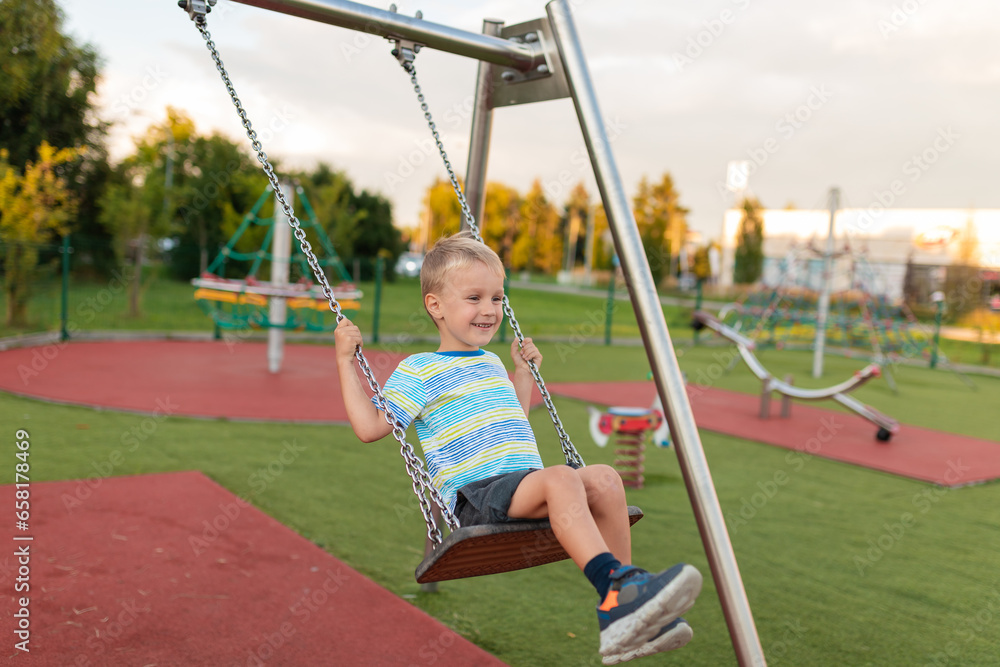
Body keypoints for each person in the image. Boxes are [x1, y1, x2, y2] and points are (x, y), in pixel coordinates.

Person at [335, 234, 702, 664]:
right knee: (562, 475)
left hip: (521, 485)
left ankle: (627, 613)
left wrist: (522, 375)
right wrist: (345, 360)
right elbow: (369, 427)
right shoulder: (419, 369)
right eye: (474, 297)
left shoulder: (490, 362)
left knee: (604, 477)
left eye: (496, 297)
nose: (489, 309)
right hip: (476, 497)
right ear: (436, 305)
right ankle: (619, 591)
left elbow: (513, 425)